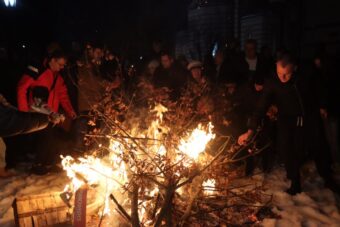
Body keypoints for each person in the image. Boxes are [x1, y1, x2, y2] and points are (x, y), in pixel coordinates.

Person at [238, 52, 339, 195]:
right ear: (276, 67)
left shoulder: (305, 76)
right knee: (287, 150)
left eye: (287, 74)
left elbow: (319, 88)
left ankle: (328, 179)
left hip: (309, 117)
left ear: (295, 68)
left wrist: (322, 105)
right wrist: (250, 130)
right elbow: (261, 107)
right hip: (287, 119)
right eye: (280, 73)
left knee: (319, 147)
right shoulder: (272, 81)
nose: (283, 78)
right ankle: (295, 182)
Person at [0, 94, 63, 177]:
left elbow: (7, 108)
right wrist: (45, 118)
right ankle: (39, 164)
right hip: (37, 117)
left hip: (40, 114)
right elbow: (8, 120)